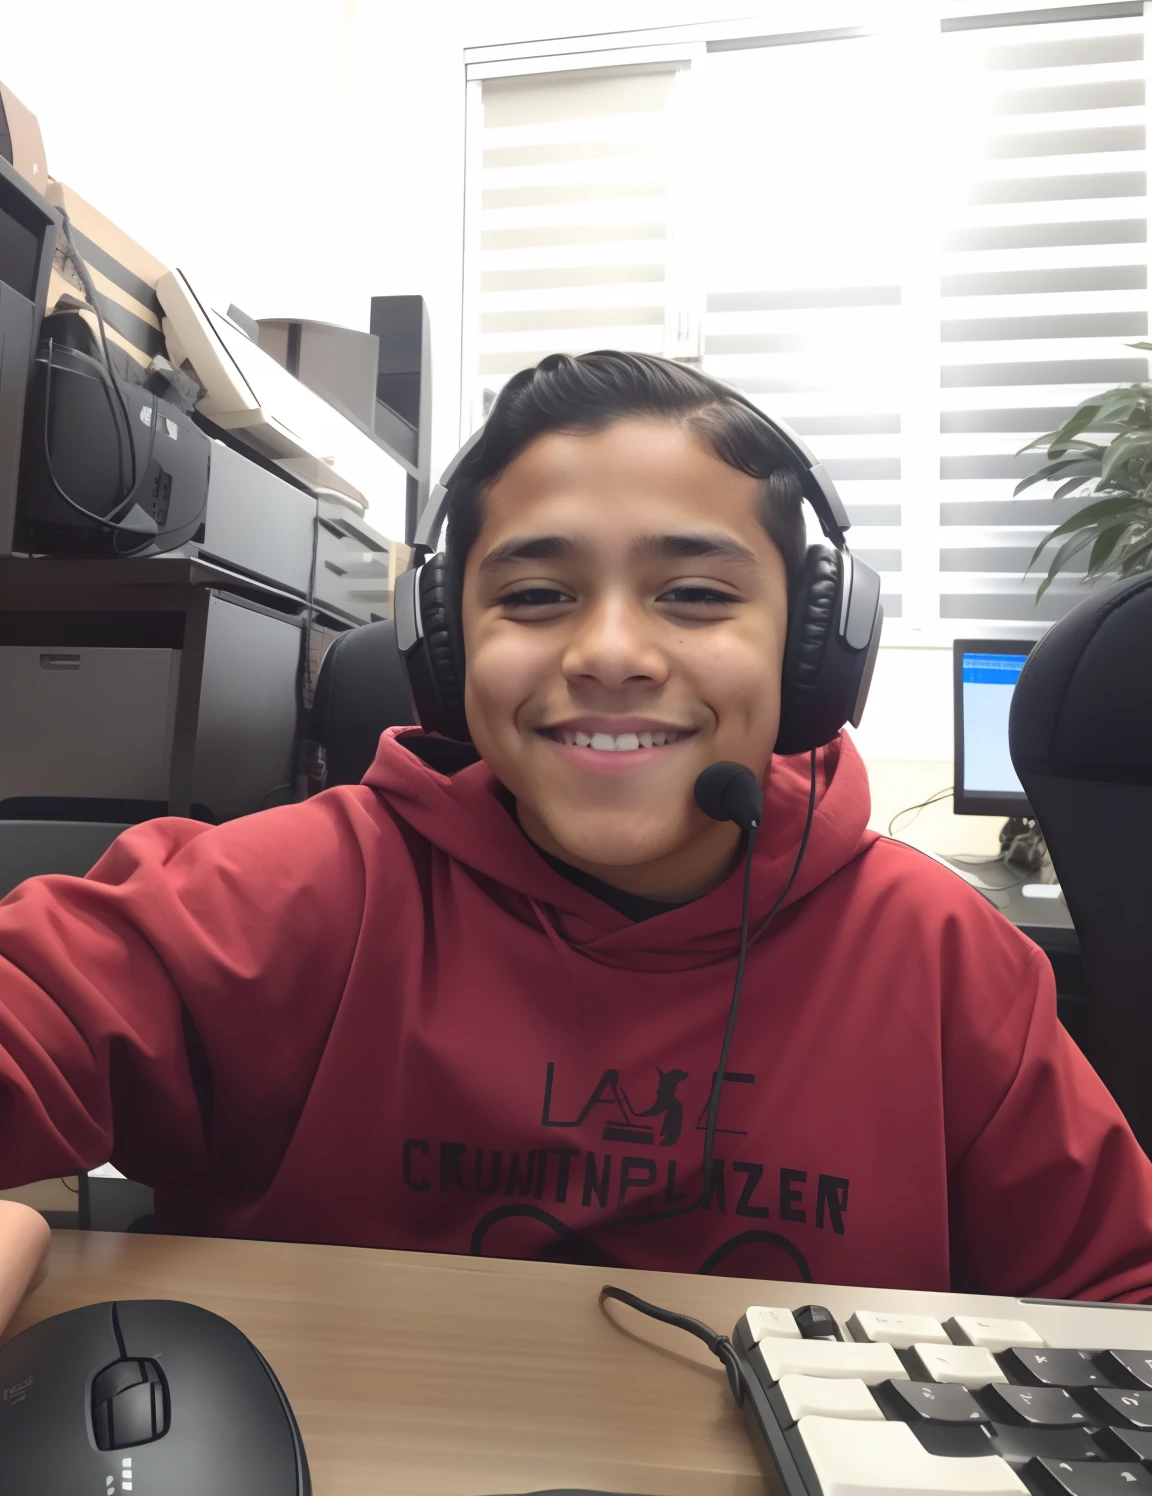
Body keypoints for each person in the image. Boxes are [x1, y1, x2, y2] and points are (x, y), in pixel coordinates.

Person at [1, 350, 1150, 1299]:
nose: (607, 653)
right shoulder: (303, 894)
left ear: (814, 648)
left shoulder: (943, 961)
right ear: (442, 650)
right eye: (537, 595)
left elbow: (1121, 1297)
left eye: (695, 593)